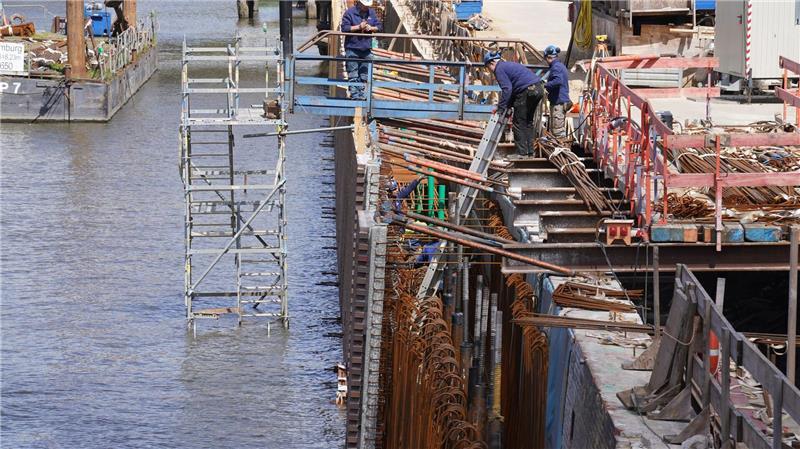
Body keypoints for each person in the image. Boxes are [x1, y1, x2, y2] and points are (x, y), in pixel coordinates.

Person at [484, 51, 544, 156]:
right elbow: (513, 89)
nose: (490, 71)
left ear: (491, 63)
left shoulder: (499, 69)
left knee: (518, 122)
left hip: (526, 91)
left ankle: (521, 153)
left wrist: (501, 108)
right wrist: (508, 105)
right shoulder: (508, 65)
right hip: (538, 89)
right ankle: (530, 152)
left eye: (488, 68)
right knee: (528, 122)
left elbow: (507, 89)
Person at [340, 0, 382, 100]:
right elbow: (345, 28)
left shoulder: (371, 12)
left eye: (367, 6)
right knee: (353, 74)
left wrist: (371, 28)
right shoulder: (349, 13)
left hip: (366, 48)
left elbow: (379, 27)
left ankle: (363, 95)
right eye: (364, 5)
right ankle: (355, 96)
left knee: (365, 74)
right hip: (352, 48)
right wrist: (358, 27)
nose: (366, 7)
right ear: (359, 3)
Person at [543, 45, 572, 137]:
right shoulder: (559, 66)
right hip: (559, 101)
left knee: (558, 132)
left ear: (549, 57)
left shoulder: (556, 67)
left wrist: (545, 85)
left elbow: (558, 81)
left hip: (558, 103)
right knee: (556, 130)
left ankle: (562, 150)